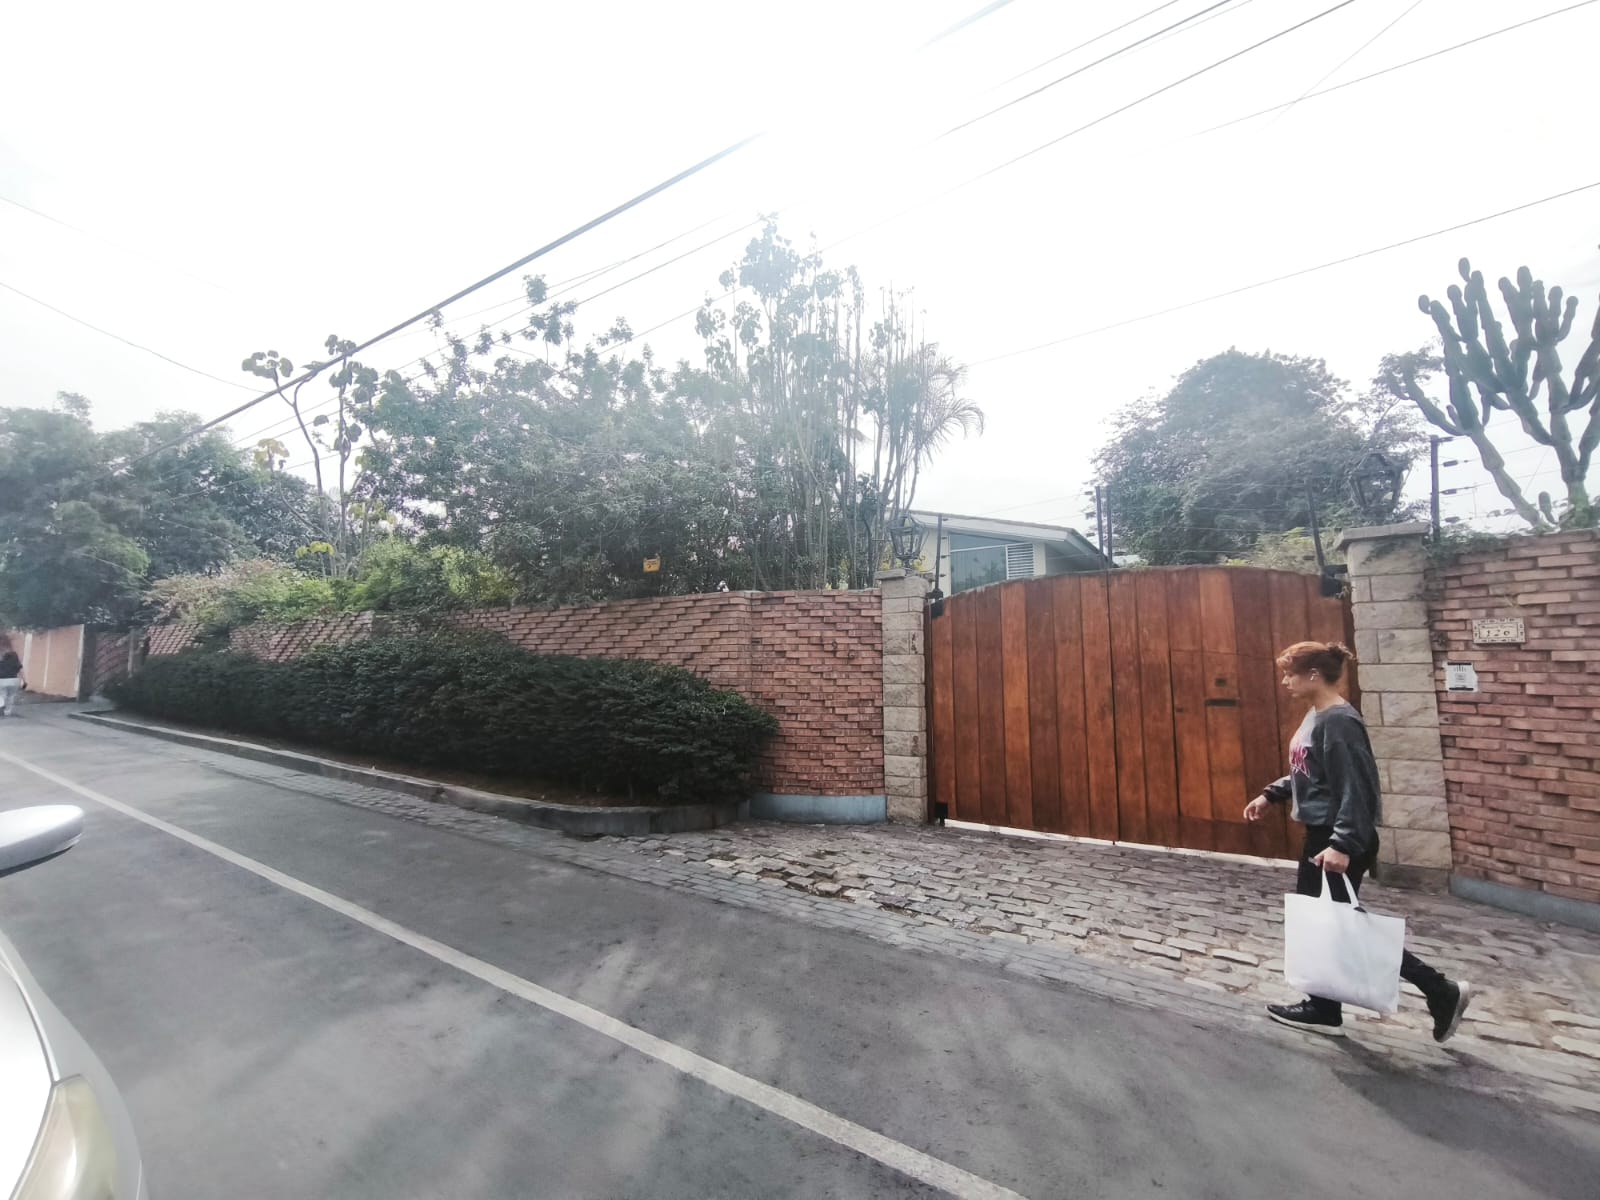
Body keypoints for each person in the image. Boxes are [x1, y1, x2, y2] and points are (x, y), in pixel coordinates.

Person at [1245, 640, 1471, 1041]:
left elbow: (1358, 788)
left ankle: (1439, 990)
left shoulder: (1339, 722)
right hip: (1326, 834)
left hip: (1335, 837)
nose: (1285, 682)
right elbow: (1311, 772)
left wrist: (1343, 843)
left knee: (1342, 926)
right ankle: (1325, 1006)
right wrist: (1272, 794)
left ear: (1314, 675)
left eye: (1290, 674)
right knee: (1329, 925)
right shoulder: (1318, 716)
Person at [0, 640, 24, 718]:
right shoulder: (14, 655)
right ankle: (8, 711)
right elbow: (20, 669)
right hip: (14, 680)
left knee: (2, 695)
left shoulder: (1, 655)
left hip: (2, 680)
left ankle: (1, 709)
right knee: (11, 696)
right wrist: (23, 679)